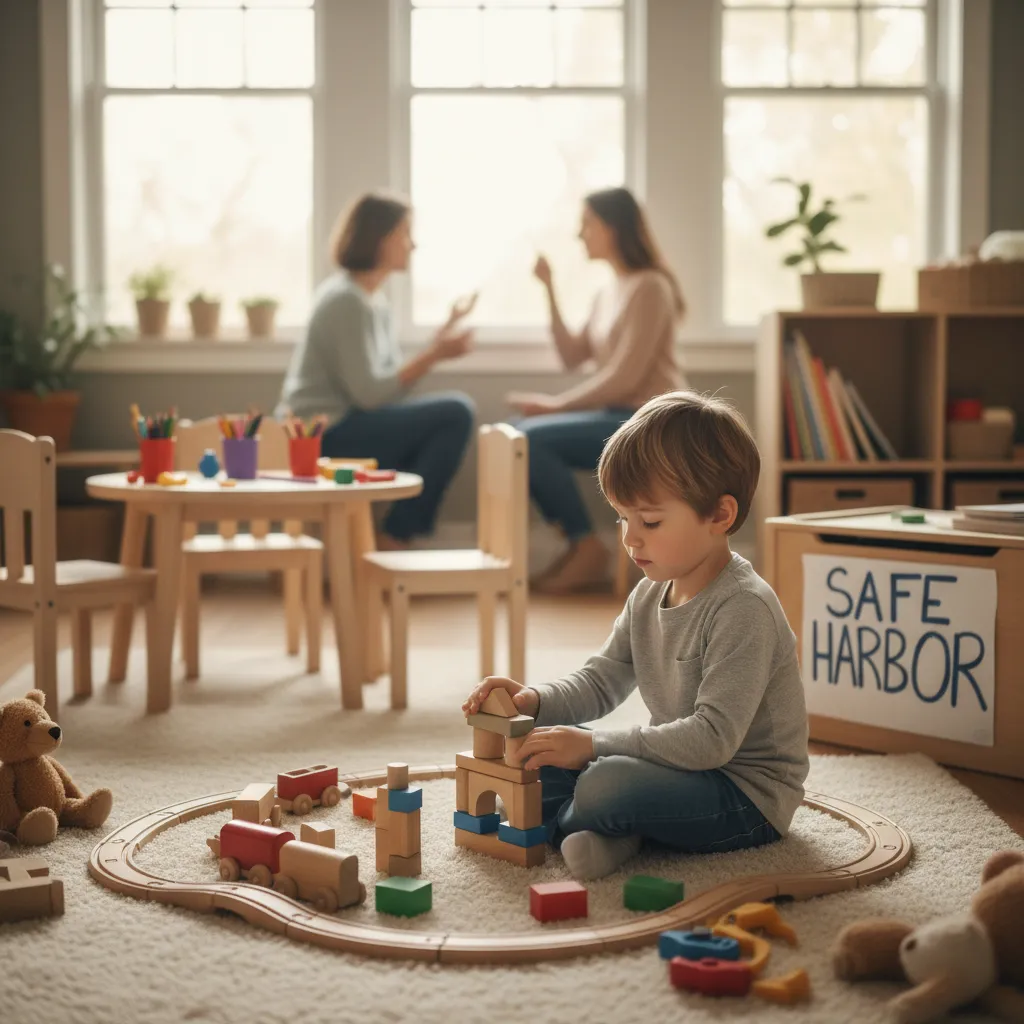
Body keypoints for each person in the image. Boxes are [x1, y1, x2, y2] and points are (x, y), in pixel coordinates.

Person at [462, 391, 810, 881]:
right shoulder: (649, 595)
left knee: (604, 782)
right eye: (622, 518)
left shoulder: (744, 608)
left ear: (720, 516)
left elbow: (712, 741)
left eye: (649, 521)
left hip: (744, 795)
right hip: (678, 770)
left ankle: (582, 824)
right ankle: (607, 834)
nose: (629, 537)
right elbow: (602, 681)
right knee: (537, 750)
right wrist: (532, 702)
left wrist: (592, 748)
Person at [506, 186, 686, 593]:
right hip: (616, 417)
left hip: (651, 421)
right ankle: (581, 544)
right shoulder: (608, 292)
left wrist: (555, 407)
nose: (579, 233)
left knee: (526, 437)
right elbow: (572, 356)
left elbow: (627, 376)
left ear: (612, 228)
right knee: (515, 435)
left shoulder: (651, 287)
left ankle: (586, 547)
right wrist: (548, 289)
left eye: (586, 223)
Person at [276, 192, 477, 548]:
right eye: (404, 233)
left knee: (449, 415)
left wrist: (440, 339)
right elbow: (370, 395)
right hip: (320, 434)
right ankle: (394, 535)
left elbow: (386, 383)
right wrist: (433, 355)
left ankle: (394, 534)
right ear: (379, 238)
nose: (412, 245)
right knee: (456, 412)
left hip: (343, 422)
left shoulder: (372, 302)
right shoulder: (346, 301)